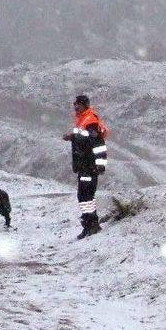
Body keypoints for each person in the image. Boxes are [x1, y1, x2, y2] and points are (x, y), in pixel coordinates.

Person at [63, 95, 108, 239]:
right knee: (84, 196)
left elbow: (97, 144)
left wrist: (100, 165)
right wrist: (73, 137)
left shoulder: (90, 120)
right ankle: (90, 224)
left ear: (85, 105)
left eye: (79, 104)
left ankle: (91, 225)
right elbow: (85, 139)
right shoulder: (82, 119)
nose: (76, 107)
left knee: (85, 196)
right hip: (84, 165)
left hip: (89, 166)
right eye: (75, 104)